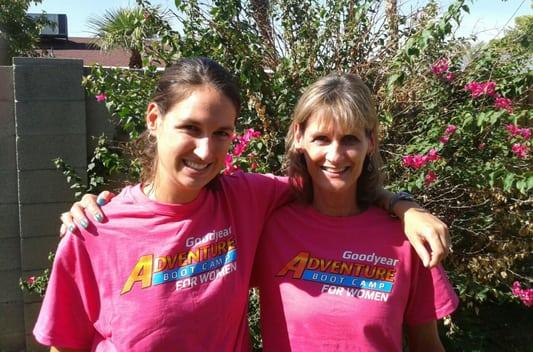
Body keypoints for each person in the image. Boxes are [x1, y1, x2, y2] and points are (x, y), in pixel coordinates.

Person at [36, 58, 450, 351]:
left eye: (221, 133)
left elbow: (334, 184)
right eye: (190, 128)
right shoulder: (96, 229)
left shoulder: (246, 201)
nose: (204, 149)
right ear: (153, 120)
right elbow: (66, 344)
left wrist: (403, 207)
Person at [253, 73, 458, 351]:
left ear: (370, 141)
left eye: (349, 139)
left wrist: (405, 207)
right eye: (321, 139)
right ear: (299, 136)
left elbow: (427, 345)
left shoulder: (408, 238)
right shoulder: (269, 227)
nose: (335, 156)